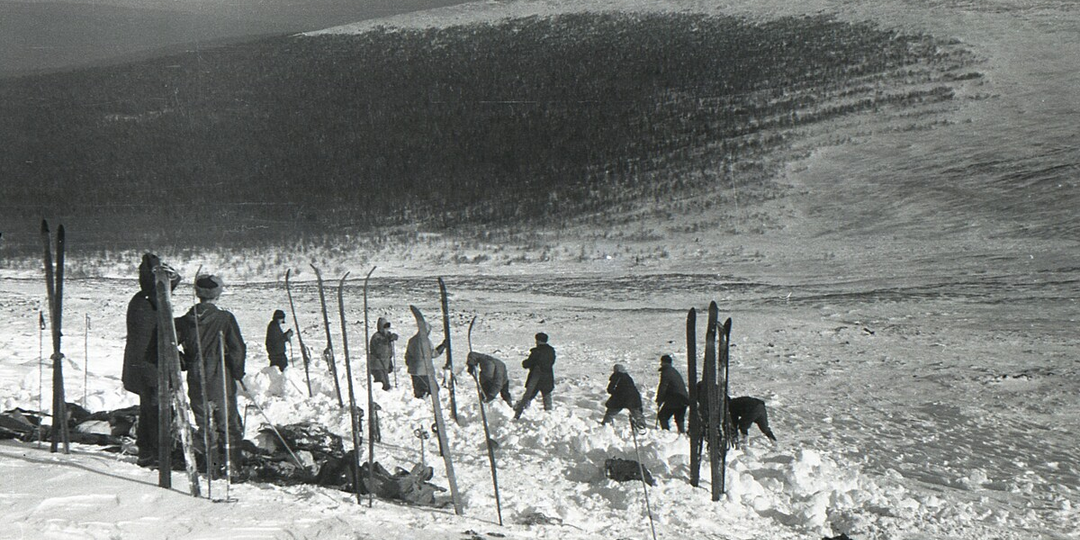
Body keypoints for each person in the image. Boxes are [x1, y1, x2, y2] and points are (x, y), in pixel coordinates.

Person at [175, 274, 247, 474]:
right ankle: (232, 467)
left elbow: (169, 345)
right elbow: (237, 349)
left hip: (197, 377)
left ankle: (212, 467)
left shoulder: (185, 321)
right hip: (220, 376)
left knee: (205, 423)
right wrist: (238, 372)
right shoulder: (225, 319)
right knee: (227, 421)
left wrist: (184, 362)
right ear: (217, 294)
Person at [121, 253, 180, 467]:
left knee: (148, 410)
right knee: (157, 411)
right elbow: (160, 338)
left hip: (141, 367)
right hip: (151, 367)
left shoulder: (141, 299)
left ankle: (147, 453)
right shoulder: (153, 301)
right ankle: (158, 454)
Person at [404, 307, 445, 400]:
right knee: (433, 389)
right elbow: (433, 354)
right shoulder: (426, 341)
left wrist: (411, 365)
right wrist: (443, 346)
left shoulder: (412, 340)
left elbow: (407, 355)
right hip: (424, 371)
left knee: (418, 392)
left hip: (414, 370)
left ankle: (419, 407)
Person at [513, 332, 556, 419]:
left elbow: (528, 363)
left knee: (529, 395)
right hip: (548, 376)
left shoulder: (536, 351)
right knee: (547, 395)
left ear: (538, 341)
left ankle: (518, 413)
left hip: (536, 377)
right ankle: (549, 416)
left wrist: (525, 363)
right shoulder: (551, 351)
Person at [601, 364, 646, 428]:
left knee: (610, 413)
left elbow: (610, 389)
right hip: (634, 398)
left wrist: (616, 393)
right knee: (637, 414)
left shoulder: (616, 376)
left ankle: (605, 425)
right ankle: (642, 427)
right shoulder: (628, 377)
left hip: (620, 399)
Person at [655, 354, 689, 434]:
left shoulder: (666, 372)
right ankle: (682, 435)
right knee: (679, 419)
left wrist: (659, 399)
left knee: (662, 416)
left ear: (663, 362)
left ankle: (666, 434)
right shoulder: (673, 371)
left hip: (674, 399)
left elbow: (663, 387)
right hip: (683, 399)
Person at [369, 317, 398, 391]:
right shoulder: (376, 337)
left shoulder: (387, 336)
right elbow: (380, 349)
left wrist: (390, 363)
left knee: (386, 385)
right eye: (385, 327)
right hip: (377, 365)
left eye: (387, 327)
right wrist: (388, 339)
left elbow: (388, 352)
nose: (387, 329)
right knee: (382, 385)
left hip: (384, 364)